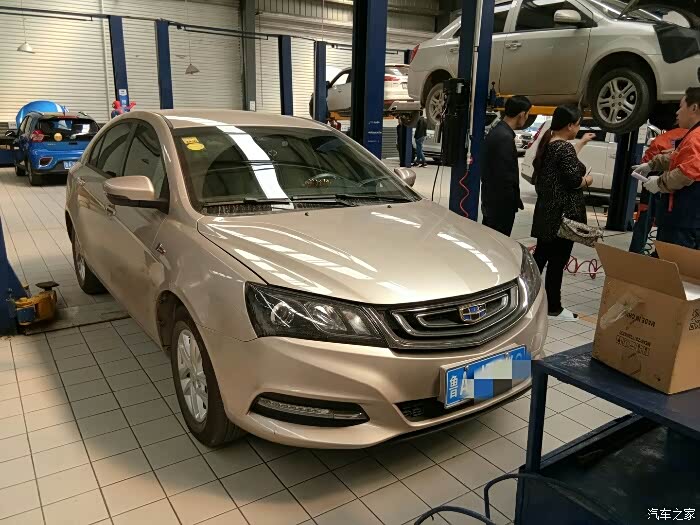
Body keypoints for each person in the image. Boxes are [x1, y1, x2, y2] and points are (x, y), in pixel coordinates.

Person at [531, 105, 595, 321]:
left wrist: (582, 142)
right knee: (557, 262)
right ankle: (554, 307)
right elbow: (573, 180)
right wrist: (587, 180)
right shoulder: (563, 148)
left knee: (540, 259)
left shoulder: (549, 143)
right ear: (569, 125)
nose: (578, 129)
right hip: (563, 217)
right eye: (577, 125)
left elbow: (564, 165)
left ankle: (527, 299)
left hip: (547, 213)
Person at [635, 87, 700, 249]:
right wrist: (652, 164)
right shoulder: (693, 134)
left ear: (694, 108)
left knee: (674, 262)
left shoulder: (696, 137)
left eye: (681, 106)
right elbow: (678, 157)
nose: (677, 112)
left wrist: (659, 183)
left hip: (684, 220)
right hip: (686, 218)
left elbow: (687, 172)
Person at [628, 124, 687, 253]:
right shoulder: (691, 136)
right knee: (667, 225)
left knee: (645, 218)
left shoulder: (663, 138)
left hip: (654, 183)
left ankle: (635, 252)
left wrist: (651, 167)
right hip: (678, 194)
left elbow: (647, 158)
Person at [481, 95, 532, 236]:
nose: (527, 118)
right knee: (498, 242)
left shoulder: (498, 131)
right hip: (500, 207)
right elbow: (505, 177)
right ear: (522, 114)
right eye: (528, 114)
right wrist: (511, 202)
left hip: (492, 202)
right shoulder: (504, 137)